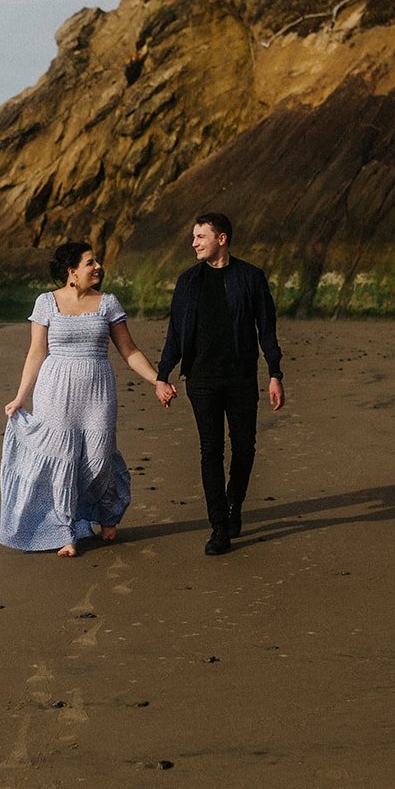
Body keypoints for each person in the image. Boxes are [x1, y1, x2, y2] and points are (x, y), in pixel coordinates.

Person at [0, 242, 164, 557]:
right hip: (55, 390)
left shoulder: (108, 303)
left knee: (99, 457)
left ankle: (106, 515)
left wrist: (156, 379)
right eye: (91, 262)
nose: (98, 267)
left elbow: (129, 350)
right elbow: (37, 353)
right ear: (72, 271)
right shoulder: (46, 303)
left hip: (97, 391)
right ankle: (67, 532)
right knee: (62, 459)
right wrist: (21, 396)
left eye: (97, 261)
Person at [155, 213, 284, 555]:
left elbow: (266, 329)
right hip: (201, 380)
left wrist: (275, 373)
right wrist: (162, 375)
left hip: (241, 378)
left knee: (244, 448)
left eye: (200, 236)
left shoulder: (251, 278)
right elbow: (176, 334)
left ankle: (234, 504)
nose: (194, 243)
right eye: (194, 237)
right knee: (210, 450)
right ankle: (219, 528)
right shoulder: (188, 282)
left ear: (222, 239)